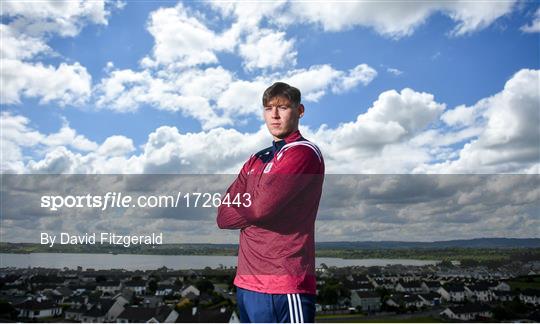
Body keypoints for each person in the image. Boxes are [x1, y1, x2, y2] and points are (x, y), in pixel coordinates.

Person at [216, 82, 325, 323]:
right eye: (268, 108)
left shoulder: (303, 152)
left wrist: (255, 207)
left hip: (285, 284)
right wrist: (259, 207)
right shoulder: (256, 158)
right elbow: (223, 216)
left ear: (300, 111)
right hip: (246, 284)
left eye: (283, 107)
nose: (274, 115)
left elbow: (259, 209)